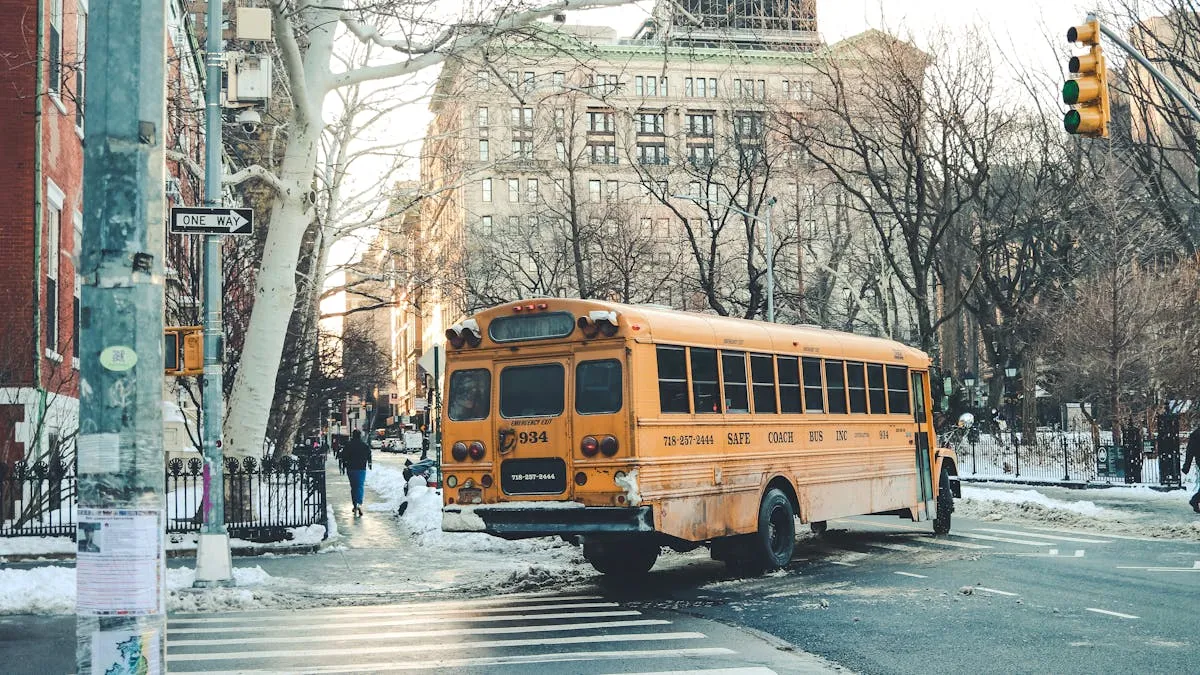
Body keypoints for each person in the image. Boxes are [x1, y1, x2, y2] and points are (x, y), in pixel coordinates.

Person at [344, 430, 373, 517]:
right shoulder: (364, 445)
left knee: (353, 487)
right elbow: (369, 454)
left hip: (351, 468)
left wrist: (345, 462)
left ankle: (354, 504)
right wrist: (369, 463)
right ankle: (359, 503)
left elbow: (344, 455)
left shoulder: (348, 445)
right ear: (360, 436)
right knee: (360, 486)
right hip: (361, 468)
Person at [1183, 425, 1200, 514]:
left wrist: (1187, 465)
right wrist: (1187, 466)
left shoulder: (1195, 434)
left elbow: (1190, 451)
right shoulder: (1196, 434)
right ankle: (1195, 500)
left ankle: (1195, 500)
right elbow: (1190, 451)